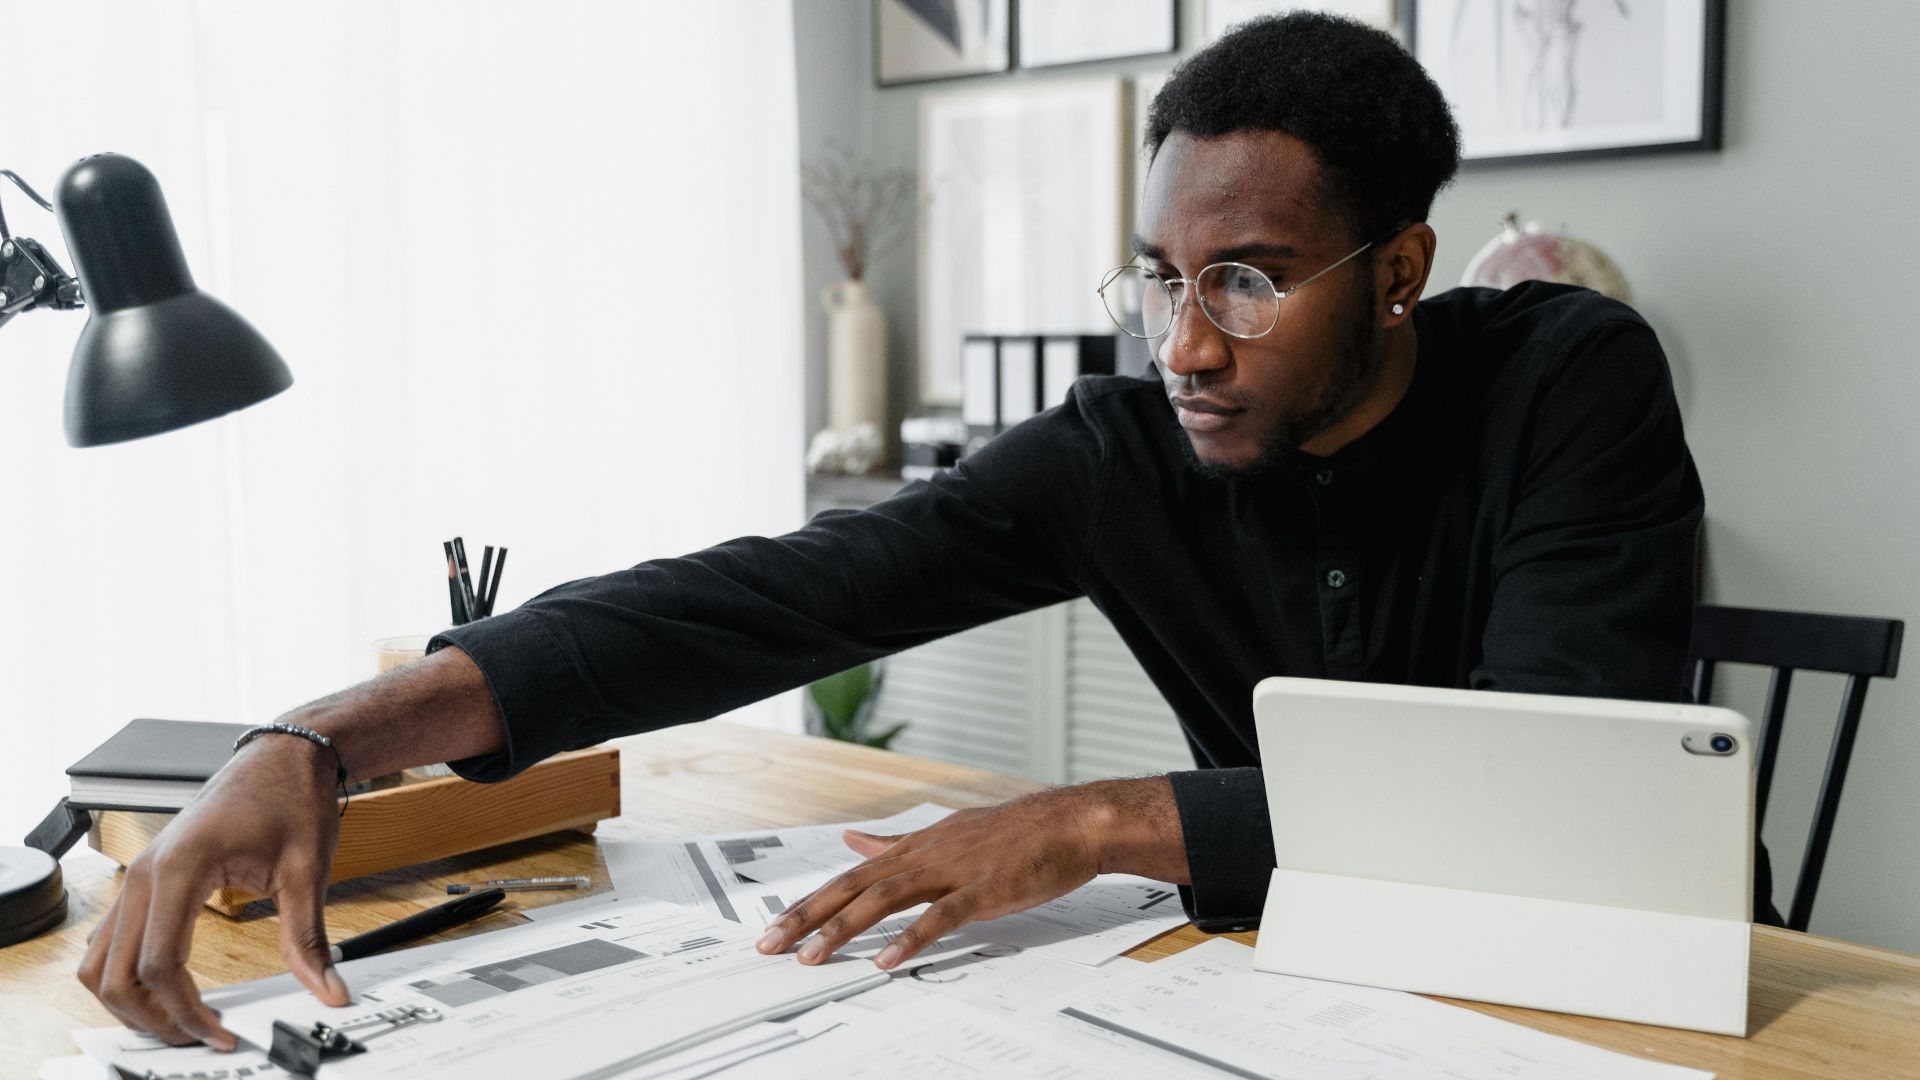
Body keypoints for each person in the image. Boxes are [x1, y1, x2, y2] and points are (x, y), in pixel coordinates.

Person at [78, 12, 1743, 1053]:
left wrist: (1088, 820)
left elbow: (1539, 776)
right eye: (1162, 277)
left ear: (1397, 270)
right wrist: (319, 737)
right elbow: (771, 602)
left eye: (1244, 278)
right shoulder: (1124, 447)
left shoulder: (1570, 375)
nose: (1185, 343)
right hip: (1309, 990)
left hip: (1614, 984)